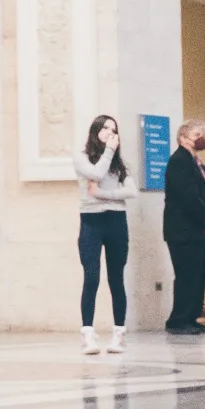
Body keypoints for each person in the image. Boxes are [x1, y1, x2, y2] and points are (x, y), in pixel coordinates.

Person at [75, 116, 132, 356]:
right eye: (106, 127)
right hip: (91, 222)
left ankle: (119, 334)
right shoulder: (81, 157)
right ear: (96, 129)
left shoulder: (119, 164)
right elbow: (96, 174)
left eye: (114, 130)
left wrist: (103, 194)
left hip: (116, 221)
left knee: (116, 278)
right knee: (92, 277)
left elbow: (131, 191)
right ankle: (88, 334)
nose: (110, 132)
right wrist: (109, 151)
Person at [162, 119, 205, 336]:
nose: (201, 138)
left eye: (203, 133)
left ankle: (192, 317)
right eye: (197, 134)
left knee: (198, 275)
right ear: (182, 138)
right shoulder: (178, 161)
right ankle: (178, 320)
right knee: (186, 275)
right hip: (183, 230)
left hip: (198, 230)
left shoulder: (197, 162)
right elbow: (187, 196)